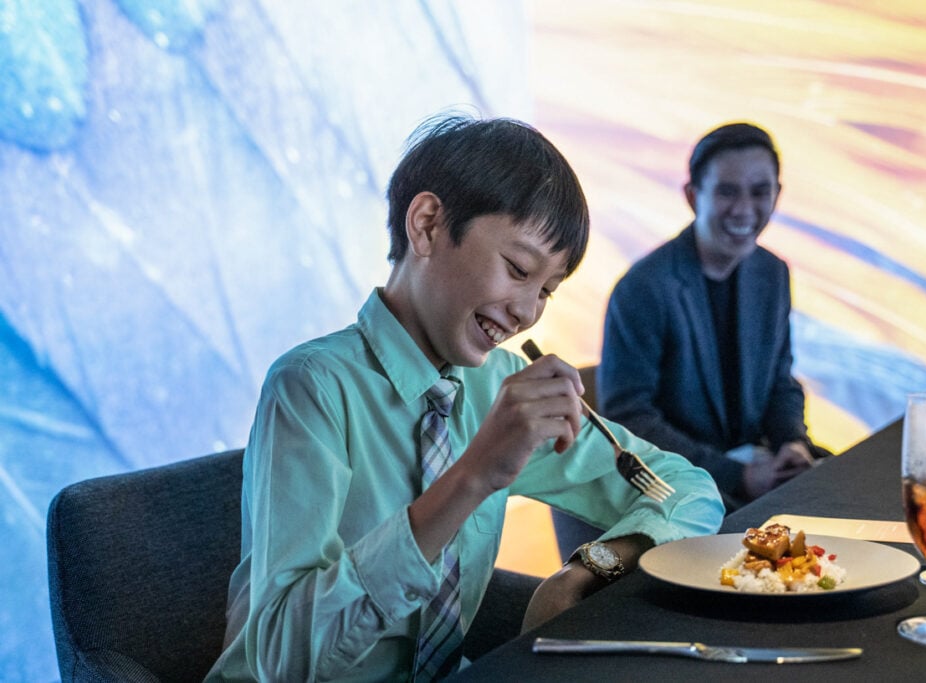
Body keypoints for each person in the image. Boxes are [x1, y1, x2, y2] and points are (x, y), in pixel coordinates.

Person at [205, 114, 724, 682]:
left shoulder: (493, 387)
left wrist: (588, 571)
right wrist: (474, 473)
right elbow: (281, 660)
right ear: (427, 225)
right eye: (518, 269)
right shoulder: (312, 387)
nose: (527, 312)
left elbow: (687, 489)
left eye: (547, 291)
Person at [597, 121, 826, 515]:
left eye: (760, 192)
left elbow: (779, 380)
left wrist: (792, 442)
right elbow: (629, 420)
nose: (744, 209)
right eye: (726, 192)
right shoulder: (643, 288)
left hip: (759, 463)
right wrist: (734, 474)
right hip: (679, 484)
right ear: (692, 195)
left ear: (777, 194)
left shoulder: (773, 273)